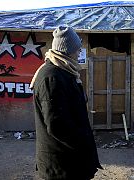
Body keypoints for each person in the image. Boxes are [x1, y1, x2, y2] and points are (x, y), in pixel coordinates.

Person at [30, 26, 102, 179]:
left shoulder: (65, 71)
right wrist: (82, 145)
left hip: (69, 161)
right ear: (67, 51)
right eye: (77, 49)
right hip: (63, 165)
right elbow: (57, 125)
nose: (79, 53)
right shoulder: (52, 77)